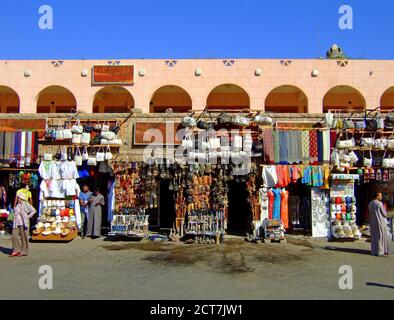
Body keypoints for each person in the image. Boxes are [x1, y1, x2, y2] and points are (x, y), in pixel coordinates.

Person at [10, 193, 36, 257]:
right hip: (16, 223)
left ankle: (24, 251)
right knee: (14, 236)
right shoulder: (17, 205)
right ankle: (16, 250)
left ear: (21, 198)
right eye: (18, 197)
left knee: (23, 237)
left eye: (19, 197)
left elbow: (34, 210)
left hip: (23, 223)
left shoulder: (26, 205)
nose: (18, 199)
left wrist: (28, 216)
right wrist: (10, 217)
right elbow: (14, 212)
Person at [368, 193, 390, 257]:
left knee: (374, 237)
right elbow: (384, 214)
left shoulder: (370, 203)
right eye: (380, 196)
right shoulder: (379, 204)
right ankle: (380, 251)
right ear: (377, 196)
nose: (381, 197)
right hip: (380, 222)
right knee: (380, 237)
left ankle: (374, 251)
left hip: (372, 222)